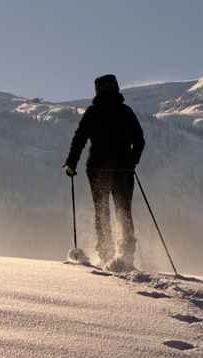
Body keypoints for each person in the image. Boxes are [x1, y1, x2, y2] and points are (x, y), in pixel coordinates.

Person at [64, 74, 145, 272]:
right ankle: (126, 257)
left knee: (101, 211)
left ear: (97, 90)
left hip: (97, 169)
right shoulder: (125, 112)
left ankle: (107, 255)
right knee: (123, 211)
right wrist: (132, 160)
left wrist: (71, 164)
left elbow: (79, 139)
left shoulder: (92, 112)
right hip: (123, 169)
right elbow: (140, 140)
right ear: (116, 88)